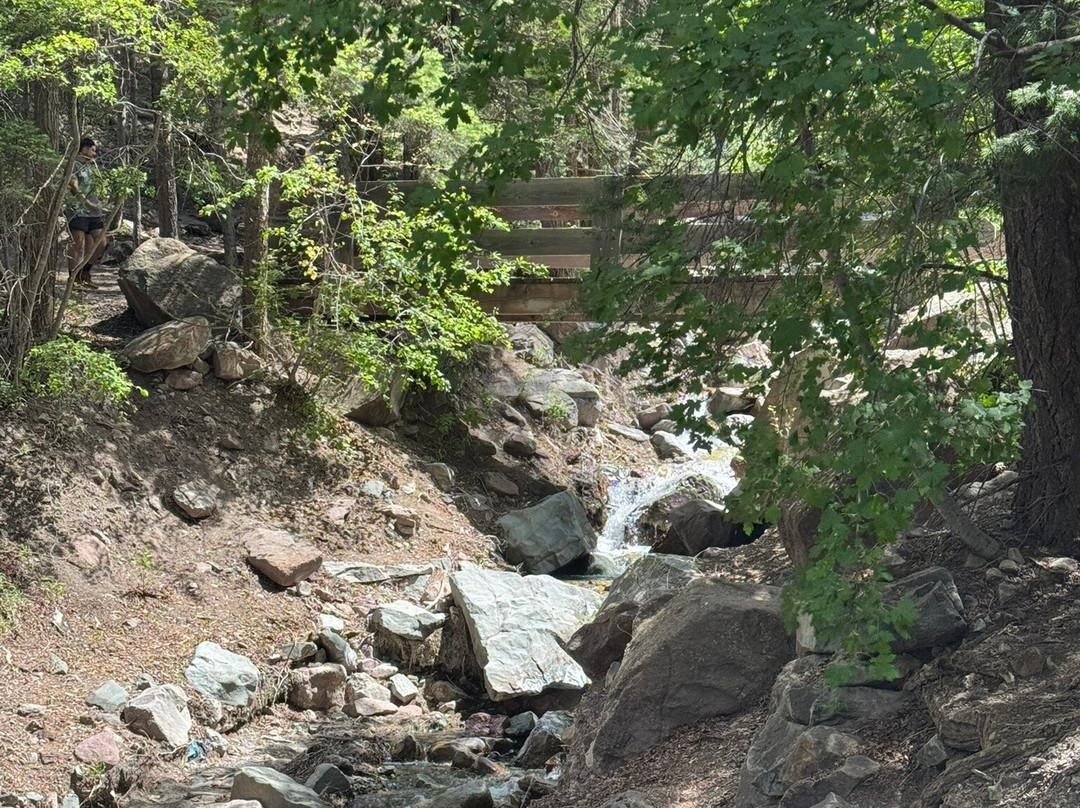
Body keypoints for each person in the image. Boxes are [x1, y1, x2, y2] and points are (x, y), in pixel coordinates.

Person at [67, 137, 108, 289]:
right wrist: (88, 204)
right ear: (84, 149)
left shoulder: (91, 166)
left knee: (101, 243)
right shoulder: (73, 165)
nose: (94, 154)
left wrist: (103, 199)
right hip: (78, 210)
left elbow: (98, 186)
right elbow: (74, 188)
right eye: (92, 150)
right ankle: (73, 279)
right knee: (78, 244)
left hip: (94, 212)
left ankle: (85, 272)